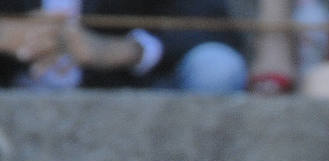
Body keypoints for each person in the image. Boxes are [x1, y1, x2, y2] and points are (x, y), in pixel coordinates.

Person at [0, 0, 246, 91]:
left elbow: (212, 25)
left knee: (218, 67)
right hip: (13, 91)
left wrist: (128, 50)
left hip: (124, 89)